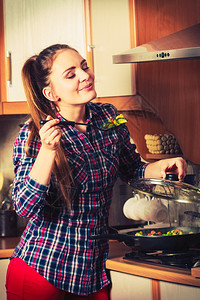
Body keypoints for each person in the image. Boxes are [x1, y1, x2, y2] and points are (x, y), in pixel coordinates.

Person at [6, 44, 187, 300]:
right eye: (70, 74)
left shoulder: (108, 117)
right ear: (50, 92)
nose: (84, 75)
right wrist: (47, 151)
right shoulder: (35, 134)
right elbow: (24, 207)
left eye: (84, 66)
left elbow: (133, 169)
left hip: (91, 271)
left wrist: (160, 166)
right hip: (43, 269)